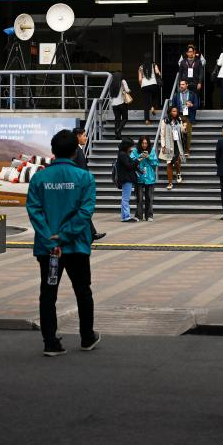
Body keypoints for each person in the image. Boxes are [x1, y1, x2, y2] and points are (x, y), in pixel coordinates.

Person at [26, 129, 99, 357]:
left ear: (53, 151)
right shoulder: (84, 178)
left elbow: (34, 210)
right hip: (76, 246)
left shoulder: (39, 177)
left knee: (48, 293)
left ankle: (50, 342)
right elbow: (85, 211)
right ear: (75, 150)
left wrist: (51, 238)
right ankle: (87, 337)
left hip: (48, 250)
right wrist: (66, 236)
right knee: (82, 290)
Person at [72, 127, 106, 241]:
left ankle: (91, 233)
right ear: (78, 136)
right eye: (84, 135)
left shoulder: (77, 149)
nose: (86, 138)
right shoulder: (76, 150)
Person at [157, 105, 186, 190]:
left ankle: (178, 173)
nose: (175, 113)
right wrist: (163, 145)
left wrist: (184, 127)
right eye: (173, 111)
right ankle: (170, 183)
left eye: (176, 111)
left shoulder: (179, 120)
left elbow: (182, 130)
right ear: (170, 112)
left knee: (177, 161)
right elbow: (162, 134)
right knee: (169, 163)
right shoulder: (165, 121)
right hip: (169, 144)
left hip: (177, 143)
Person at [131, 135, 158, 221]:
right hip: (139, 176)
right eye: (142, 143)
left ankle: (149, 215)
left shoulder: (152, 151)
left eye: (146, 143)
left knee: (149, 197)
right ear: (140, 143)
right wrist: (140, 157)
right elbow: (131, 160)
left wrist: (149, 157)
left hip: (149, 177)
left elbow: (155, 163)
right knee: (139, 197)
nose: (144, 145)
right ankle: (138, 215)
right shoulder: (135, 151)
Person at [170, 79, 198, 156]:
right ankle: (178, 150)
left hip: (188, 116)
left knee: (188, 134)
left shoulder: (192, 94)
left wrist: (191, 105)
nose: (181, 86)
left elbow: (196, 106)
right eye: (180, 84)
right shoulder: (176, 94)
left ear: (187, 85)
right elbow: (173, 106)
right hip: (179, 116)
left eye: (183, 84)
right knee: (177, 133)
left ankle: (187, 150)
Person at [116, 138, 139, 223]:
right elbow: (129, 166)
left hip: (126, 178)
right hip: (126, 179)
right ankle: (126, 217)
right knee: (125, 198)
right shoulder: (122, 154)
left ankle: (124, 216)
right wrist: (137, 160)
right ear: (126, 146)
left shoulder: (123, 154)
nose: (131, 148)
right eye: (130, 146)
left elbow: (130, 164)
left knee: (125, 198)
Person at [137, 53, 162, 124]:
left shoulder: (141, 67)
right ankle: (153, 107)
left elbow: (139, 79)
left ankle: (147, 119)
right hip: (153, 84)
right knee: (154, 96)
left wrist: (141, 85)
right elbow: (158, 73)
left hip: (144, 85)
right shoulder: (154, 65)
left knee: (146, 102)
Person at [109, 71, 131, 139]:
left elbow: (110, 94)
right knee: (125, 118)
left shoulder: (112, 82)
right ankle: (119, 130)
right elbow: (127, 90)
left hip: (114, 104)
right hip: (121, 103)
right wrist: (129, 90)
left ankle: (117, 135)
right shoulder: (123, 81)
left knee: (117, 119)